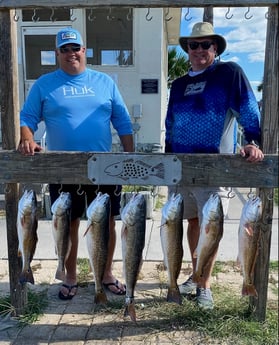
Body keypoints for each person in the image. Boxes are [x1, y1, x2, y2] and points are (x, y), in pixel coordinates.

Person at [18, 28, 134, 299]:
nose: (71, 53)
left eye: (76, 48)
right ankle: (69, 276)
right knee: (68, 223)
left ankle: (105, 274)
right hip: (63, 167)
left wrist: (130, 157)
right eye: (65, 49)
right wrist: (27, 138)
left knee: (106, 223)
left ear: (84, 50)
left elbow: (123, 121)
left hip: (103, 166)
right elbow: (28, 117)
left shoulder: (104, 81)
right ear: (57, 53)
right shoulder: (44, 84)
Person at [165, 22, 264, 310]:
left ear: (215, 48)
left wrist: (253, 141)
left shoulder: (229, 73)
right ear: (187, 50)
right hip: (179, 166)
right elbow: (170, 124)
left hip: (213, 166)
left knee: (212, 224)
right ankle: (195, 275)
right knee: (192, 221)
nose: (198, 50)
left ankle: (204, 286)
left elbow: (248, 108)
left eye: (205, 45)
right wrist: (168, 159)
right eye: (193, 45)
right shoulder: (179, 85)